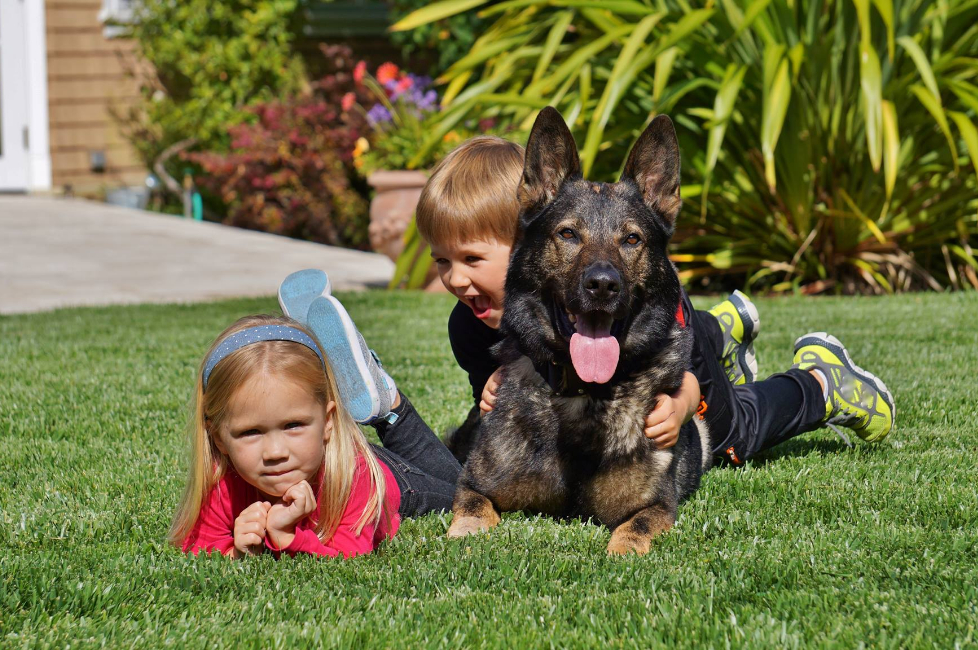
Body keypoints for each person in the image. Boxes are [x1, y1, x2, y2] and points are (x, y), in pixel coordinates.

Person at [413, 135, 895, 466]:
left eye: (472, 259)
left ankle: (823, 383)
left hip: (661, 325)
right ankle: (721, 327)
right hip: (622, 319)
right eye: (442, 262)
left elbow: (669, 384)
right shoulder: (470, 323)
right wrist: (492, 391)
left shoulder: (576, 272)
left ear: (526, 242)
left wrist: (685, 402)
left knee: (731, 437)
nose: (455, 279)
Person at [169, 309, 461, 559]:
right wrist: (236, 549)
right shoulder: (224, 484)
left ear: (328, 421)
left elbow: (349, 555)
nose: (275, 452)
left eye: (293, 425)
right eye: (250, 432)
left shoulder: (355, 477)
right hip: (332, 449)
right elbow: (198, 546)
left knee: (465, 490)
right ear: (219, 437)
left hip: (389, 478)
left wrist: (284, 536)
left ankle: (391, 407)